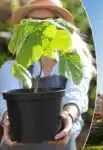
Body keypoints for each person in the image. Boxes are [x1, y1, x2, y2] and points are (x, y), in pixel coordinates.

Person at [0, 0, 95, 150]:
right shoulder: (12, 67)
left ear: (60, 26)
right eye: (33, 22)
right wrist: (7, 119)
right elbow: (7, 105)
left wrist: (68, 116)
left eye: (47, 22)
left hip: (60, 142)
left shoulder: (74, 63)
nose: (39, 27)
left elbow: (75, 95)